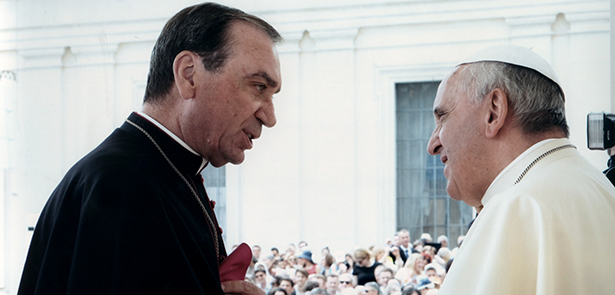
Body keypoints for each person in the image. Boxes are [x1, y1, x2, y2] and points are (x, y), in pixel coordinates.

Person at [17, 3, 282, 295]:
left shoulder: (160, 170)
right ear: (189, 75)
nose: (269, 117)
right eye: (258, 87)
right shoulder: (120, 185)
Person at [426, 44, 615, 294]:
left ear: (494, 111)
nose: (433, 144)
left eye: (443, 118)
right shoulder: (603, 189)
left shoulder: (516, 207)